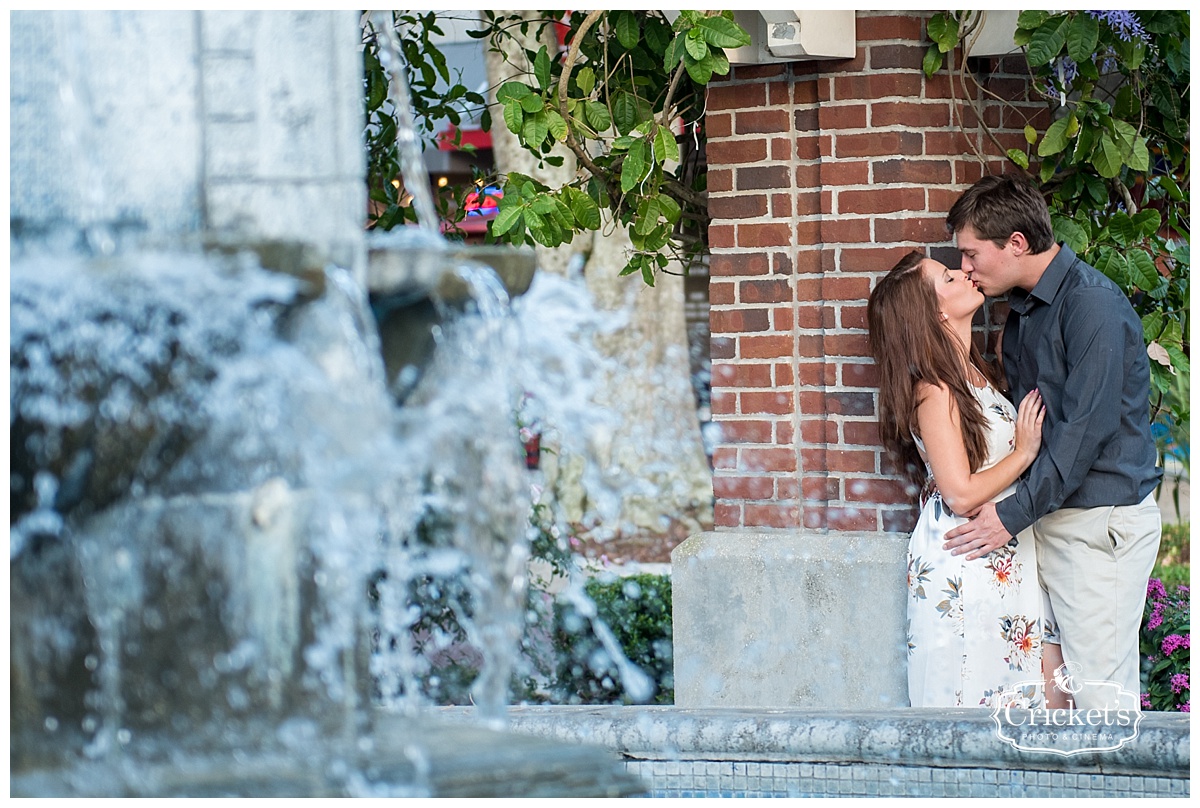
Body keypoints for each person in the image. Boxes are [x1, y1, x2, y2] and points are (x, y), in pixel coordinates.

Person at [942, 174, 1163, 710]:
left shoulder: (1093, 307)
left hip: (1098, 522)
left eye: (971, 254)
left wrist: (1011, 514)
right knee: (1056, 694)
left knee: (1100, 698)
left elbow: (1083, 433)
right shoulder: (1027, 308)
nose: (966, 268)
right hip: (1056, 518)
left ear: (1016, 243)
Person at [868, 250, 1066, 709]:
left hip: (1003, 550)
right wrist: (1024, 452)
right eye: (947, 276)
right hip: (968, 560)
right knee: (973, 700)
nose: (963, 272)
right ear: (933, 311)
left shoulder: (977, 373)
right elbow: (958, 493)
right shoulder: (934, 389)